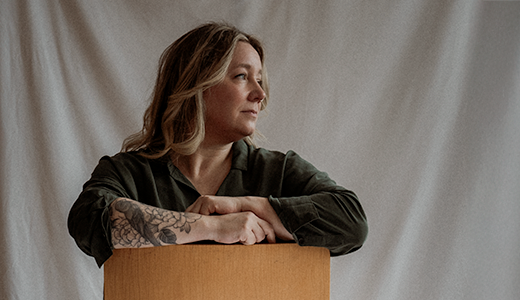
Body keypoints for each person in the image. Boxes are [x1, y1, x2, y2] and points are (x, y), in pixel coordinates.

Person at [68, 22, 368, 267]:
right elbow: (89, 220)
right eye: (242, 77)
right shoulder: (129, 172)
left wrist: (243, 206)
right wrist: (213, 226)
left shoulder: (279, 170)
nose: (260, 94)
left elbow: (351, 222)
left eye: (260, 79)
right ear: (195, 86)